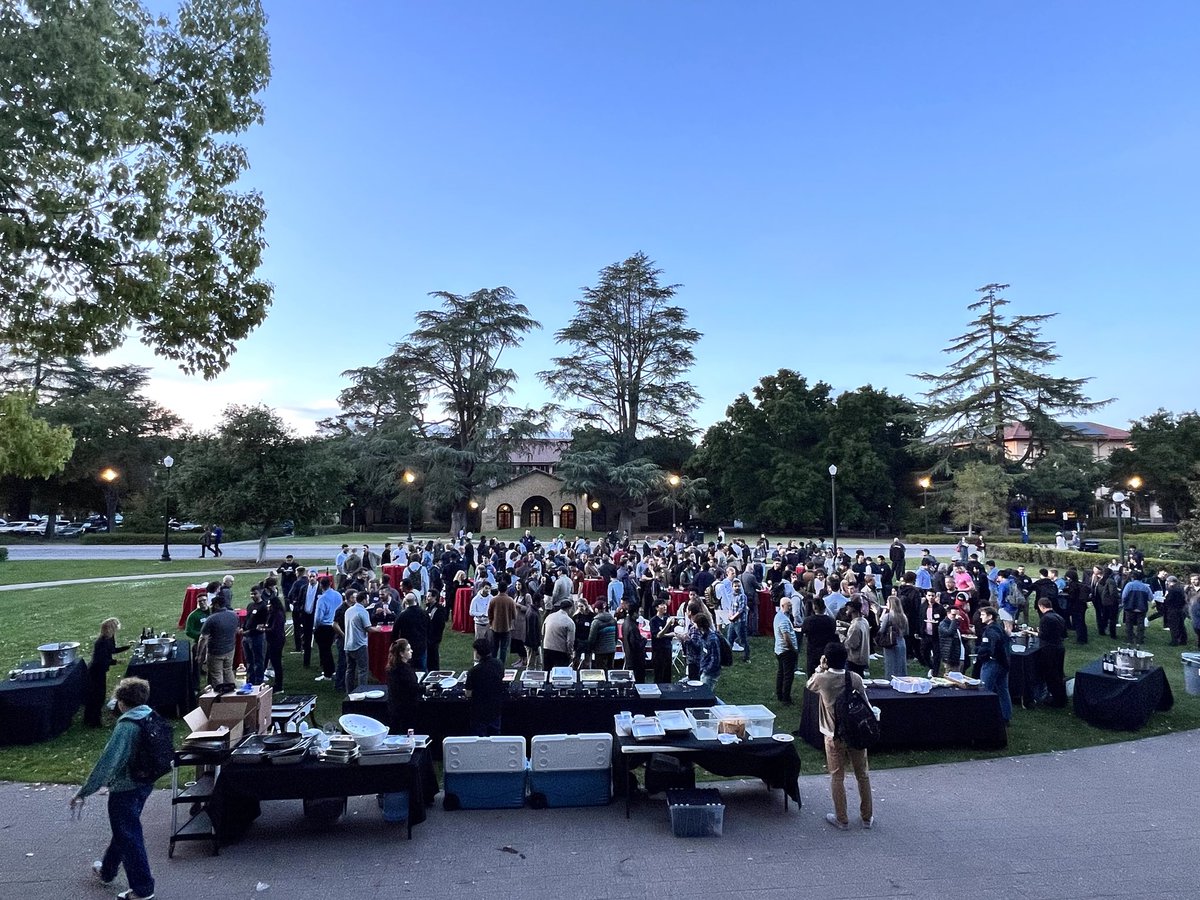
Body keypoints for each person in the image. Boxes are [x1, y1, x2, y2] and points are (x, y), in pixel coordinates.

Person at [70, 677, 157, 900]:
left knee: (129, 836)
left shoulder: (127, 726)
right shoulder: (149, 715)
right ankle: (107, 871)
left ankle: (143, 889)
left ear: (122, 702)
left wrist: (84, 791)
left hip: (126, 787)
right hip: (145, 783)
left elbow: (108, 762)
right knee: (124, 831)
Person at [806, 642, 873, 831]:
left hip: (833, 733)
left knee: (837, 776)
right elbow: (865, 703)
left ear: (826, 660)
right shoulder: (855, 678)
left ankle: (842, 818)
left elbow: (809, 684)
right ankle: (867, 816)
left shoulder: (822, 679)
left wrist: (820, 667)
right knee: (862, 774)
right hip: (856, 732)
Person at [85, 618, 129, 727]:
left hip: (101, 669)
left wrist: (127, 647)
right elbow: (102, 660)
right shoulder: (101, 642)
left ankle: (91, 719)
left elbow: (113, 650)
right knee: (97, 696)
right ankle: (94, 721)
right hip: (96, 671)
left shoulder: (110, 638)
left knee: (98, 695)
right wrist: (116, 661)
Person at [977, 606, 1012, 724]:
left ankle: (984, 718)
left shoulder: (990, 630)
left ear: (990, 616)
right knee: (1003, 690)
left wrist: (985, 655)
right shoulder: (999, 627)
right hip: (1003, 663)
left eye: (982, 615)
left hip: (992, 663)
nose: (980, 617)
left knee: (985, 691)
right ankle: (1005, 716)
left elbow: (993, 644)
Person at [464, 637, 504, 736]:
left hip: (479, 711)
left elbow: (468, 693)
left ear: (477, 653)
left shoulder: (474, 671)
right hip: (495, 708)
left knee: (479, 741)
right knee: (495, 738)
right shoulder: (499, 664)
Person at [199, 595, 238, 687]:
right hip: (230, 650)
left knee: (217, 674)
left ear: (216, 605)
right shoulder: (234, 615)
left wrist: (199, 654)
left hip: (215, 652)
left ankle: (219, 696)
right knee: (228, 670)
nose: (211, 606)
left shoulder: (211, 619)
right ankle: (232, 693)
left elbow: (203, 638)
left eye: (212, 604)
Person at [1035, 597, 1067, 707]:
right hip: (1059, 647)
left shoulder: (1045, 619)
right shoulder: (1059, 617)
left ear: (1041, 606)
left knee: (1051, 675)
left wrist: (1036, 632)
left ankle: (1056, 699)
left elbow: (1043, 635)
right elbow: (1064, 634)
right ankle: (1061, 697)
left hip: (1049, 649)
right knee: (1059, 674)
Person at [386, 638, 421, 733]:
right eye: (408, 649)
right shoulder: (404, 670)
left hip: (394, 707)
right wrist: (428, 688)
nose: (411, 651)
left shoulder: (393, 667)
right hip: (406, 709)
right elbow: (413, 688)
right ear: (401, 654)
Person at [343, 590, 372, 694]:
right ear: (364, 600)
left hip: (348, 644)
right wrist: (378, 629)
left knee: (349, 670)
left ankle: (349, 692)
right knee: (363, 670)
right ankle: (362, 691)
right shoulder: (363, 612)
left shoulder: (349, 610)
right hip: (360, 645)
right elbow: (368, 628)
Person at [312, 576, 341, 681]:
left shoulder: (322, 598)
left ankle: (327, 673)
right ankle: (331, 669)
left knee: (324, 650)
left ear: (321, 585)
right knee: (328, 649)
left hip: (324, 626)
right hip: (335, 624)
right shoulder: (338, 595)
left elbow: (319, 616)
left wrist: (315, 627)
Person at [774, 598, 799, 704]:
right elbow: (786, 637)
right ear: (783, 605)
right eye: (789, 605)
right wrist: (793, 649)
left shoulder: (778, 616)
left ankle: (779, 694)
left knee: (781, 673)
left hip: (779, 649)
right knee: (788, 675)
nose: (791, 607)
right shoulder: (783, 620)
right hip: (786, 650)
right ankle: (786, 698)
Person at [396, 592, 429, 670]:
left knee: (408, 666)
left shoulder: (402, 615)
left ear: (406, 602)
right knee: (423, 666)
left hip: (407, 644)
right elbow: (429, 627)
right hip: (421, 643)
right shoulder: (424, 613)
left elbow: (396, 630)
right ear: (416, 601)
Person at [690, 611, 722, 689]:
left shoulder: (712, 639)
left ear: (700, 625)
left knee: (706, 693)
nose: (694, 625)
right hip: (704, 669)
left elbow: (715, 659)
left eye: (695, 623)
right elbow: (700, 649)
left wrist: (706, 670)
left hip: (710, 673)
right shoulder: (703, 635)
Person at [878, 594, 908, 679]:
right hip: (901, 641)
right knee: (901, 664)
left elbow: (881, 630)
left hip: (891, 642)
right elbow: (906, 631)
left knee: (890, 665)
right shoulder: (903, 616)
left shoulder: (888, 616)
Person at [542, 599, 576, 670]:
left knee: (547, 672)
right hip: (561, 651)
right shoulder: (570, 622)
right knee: (561, 674)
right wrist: (570, 653)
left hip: (547, 648)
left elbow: (543, 632)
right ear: (570, 608)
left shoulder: (549, 616)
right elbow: (570, 641)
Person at [619, 598, 647, 683]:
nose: (639, 614)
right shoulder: (632, 627)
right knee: (638, 682)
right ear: (634, 613)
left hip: (629, 657)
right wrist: (644, 640)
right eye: (638, 612)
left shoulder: (625, 623)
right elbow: (636, 645)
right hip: (636, 659)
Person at [1121, 570, 1152, 645]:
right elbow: (1151, 598)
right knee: (1140, 624)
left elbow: (1124, 596)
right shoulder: (1146, 587)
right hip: (1141, 608)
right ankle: (1140, 640)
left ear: (1133, 577)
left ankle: (1129, 639)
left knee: (1129, 624)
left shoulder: (1129, 585)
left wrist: (1124, 602)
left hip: (1130, 607)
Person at [488, 587, 518, 667]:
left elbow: (489, 613)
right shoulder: (510, 600)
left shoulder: (493, 600)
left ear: (498, 589)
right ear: (506, 590)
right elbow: (514, 615)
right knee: (503, 648)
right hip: (506, 627)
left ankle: (492, 664)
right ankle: (501, 665)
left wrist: (491, 622)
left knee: (494, 647)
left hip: (495, 627)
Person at [650, 600, 675, 685]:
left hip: (667, 649)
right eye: (662, 605)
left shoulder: (667, 618)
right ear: (657, 608)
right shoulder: (653, 621)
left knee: (667, 675)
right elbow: (657, 635)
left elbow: (673, 633)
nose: (665, 606)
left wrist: (664, 634)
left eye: (665, 604)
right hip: (658, 651)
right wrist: (667, 625)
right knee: (659, 675)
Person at [588, 603, 619, 672]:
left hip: (600, 650)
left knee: (600, 671)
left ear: (596, 609)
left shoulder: (596, 622)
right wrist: (614, 645)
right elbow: (616, 635)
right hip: (611, 649)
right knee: (610, 669)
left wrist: (590, 648)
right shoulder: (613, 620)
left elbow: (592, 638)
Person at [726, 578, 751, 663]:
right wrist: (730, 615)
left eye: (739, 586)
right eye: (735, 586)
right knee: (729, 639)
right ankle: (728, 657)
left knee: (743, 640)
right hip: (732, 622)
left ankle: (746, 657)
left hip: (740, 622)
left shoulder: (742, 596)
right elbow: (730, 607)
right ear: (732, 587)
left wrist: (733, 617)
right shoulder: (732, 596)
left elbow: (741, 609)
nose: (737, 588)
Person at [425, 592, 448, 671]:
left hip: (434, 638)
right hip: (427, 636)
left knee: (433, 658)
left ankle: (434, 674)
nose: (426, 598)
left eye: (429, 596)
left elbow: (440, 625)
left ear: (434, 597)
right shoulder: (428, 607)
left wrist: (435, 637)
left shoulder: (439, 609)